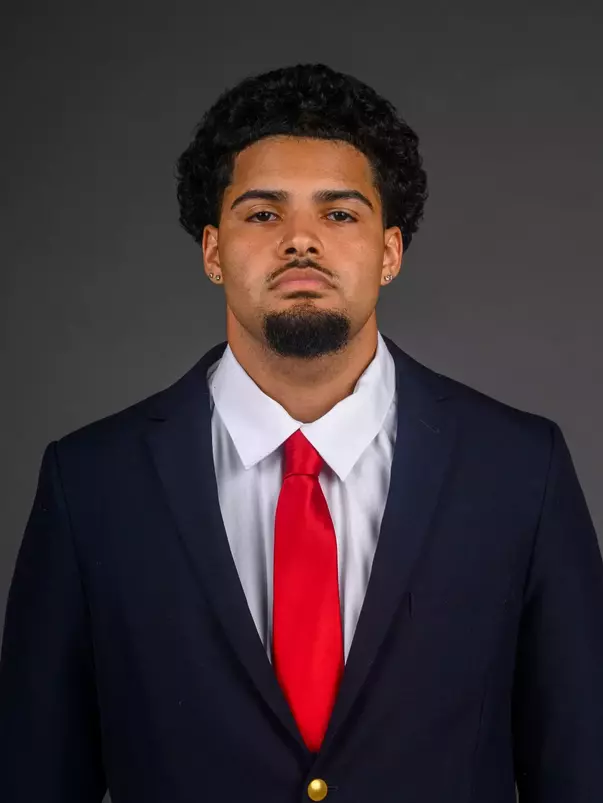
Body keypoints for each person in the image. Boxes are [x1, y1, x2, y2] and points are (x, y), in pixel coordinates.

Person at [1, 62, 602, 803]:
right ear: (213, 250)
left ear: (389, 251)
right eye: (262, 214)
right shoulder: (91, 483)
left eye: (339, 214)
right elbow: (35, 774)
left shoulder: (519, 470)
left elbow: (579, 768)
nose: (300, 241)